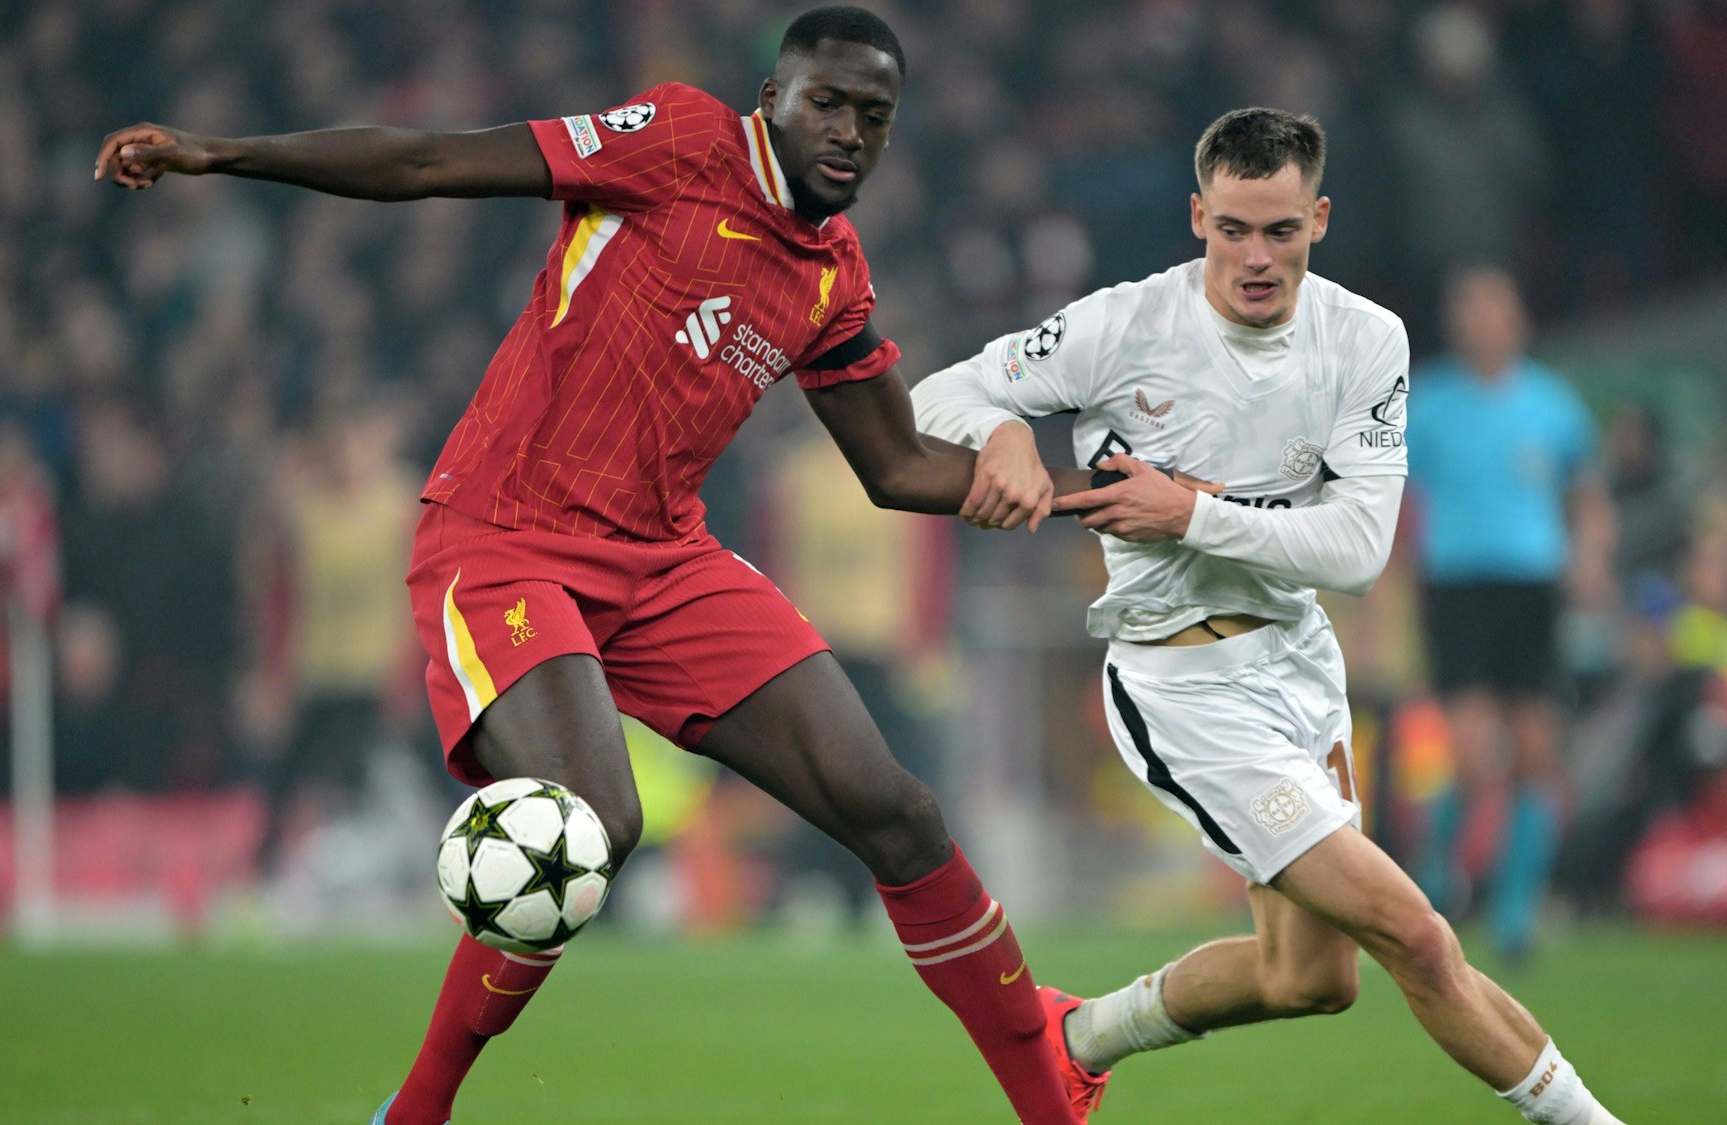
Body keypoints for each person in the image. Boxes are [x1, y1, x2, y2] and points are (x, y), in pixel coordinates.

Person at [97, 9, 1100, 1124]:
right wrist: (221, 153)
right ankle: (415, 1111)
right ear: (773, 96)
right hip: (506, 534)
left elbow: (896, 462)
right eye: (828, 102)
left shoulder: (831, 274)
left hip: (664, 560)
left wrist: (1054, 486)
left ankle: (1048, 1086)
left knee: (897, 809)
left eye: (875, 117)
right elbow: (430, 161)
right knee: (588, 822)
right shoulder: (675, 140)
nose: (849, 132)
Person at [912, 107, 1626, 1125]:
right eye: (1232, 229)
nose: (1255, 257)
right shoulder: (1121, 325)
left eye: (1279, 231)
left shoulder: (1364, 338)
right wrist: (1000, 434)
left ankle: (1072, 1040)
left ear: (1319, 220)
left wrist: (1189, 512)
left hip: (1298, 668)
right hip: (1180, 686)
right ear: (1196, 215)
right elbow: (936, 396)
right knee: (1415, 937)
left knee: (1310, 980)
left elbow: (1357, 552)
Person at [1404, 265, 1614, 962]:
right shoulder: (1429, 403)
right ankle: (1435, 875)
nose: (1483, 321)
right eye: (1470, 308)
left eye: (1495, 308)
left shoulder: (1552, 405)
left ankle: (1517, 909)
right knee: (1473, 753)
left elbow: (1586, 497)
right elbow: (1400, 506)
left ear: (1518, 319)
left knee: (1535, 753)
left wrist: (1589, 560)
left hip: (1531, 589)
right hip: (1458, 588)